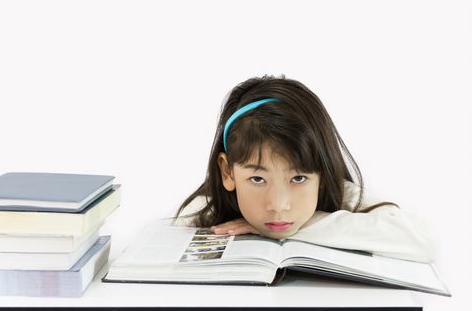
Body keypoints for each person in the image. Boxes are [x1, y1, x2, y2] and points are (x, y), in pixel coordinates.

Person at [174, 75, 435, 262]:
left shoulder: (341, 196)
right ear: (228, 172)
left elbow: (419, 240)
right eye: (257, 179)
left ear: (322, 173)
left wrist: (309, 222)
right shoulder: (208, 207)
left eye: (298, 178)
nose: (278, 205)